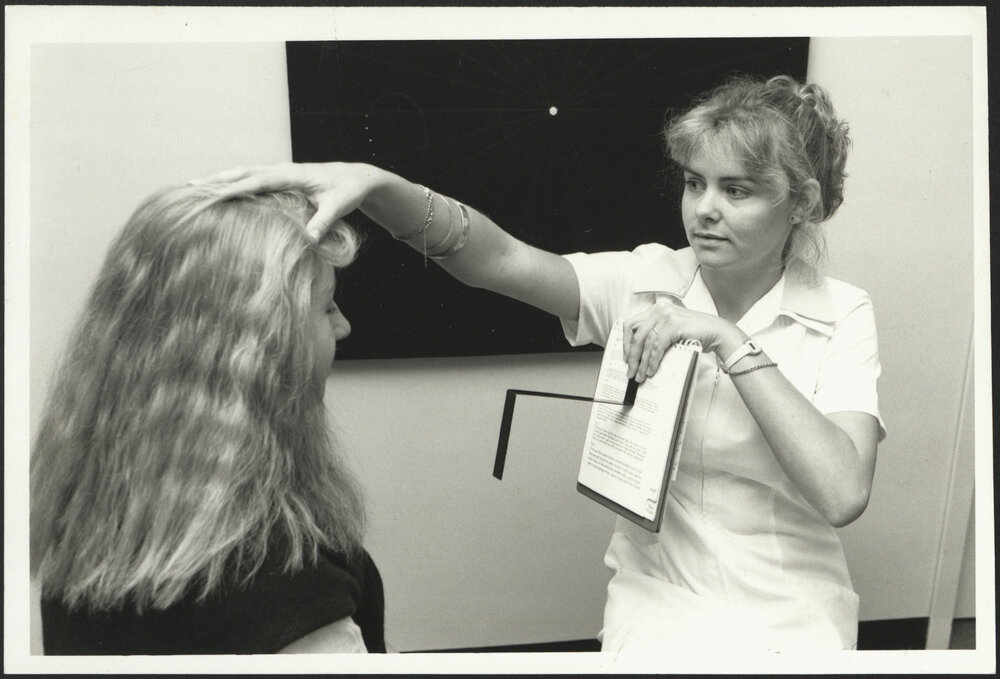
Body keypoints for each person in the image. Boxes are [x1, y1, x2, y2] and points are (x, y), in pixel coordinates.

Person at [196, 74, 885, 653]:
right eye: (694, 182)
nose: (703, 210)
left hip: (796, 608)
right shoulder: (647, 277)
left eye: (737, 190)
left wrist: (725, 340)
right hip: (659, 599)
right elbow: (500, 259)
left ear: (803, 204)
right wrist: (379, 184)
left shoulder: (843, 313)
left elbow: (841, 490)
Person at [30, 185, 386, 654]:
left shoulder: (89, 523)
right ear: (264, 351)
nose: (343, 327)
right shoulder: (276, 574)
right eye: (326, 307)